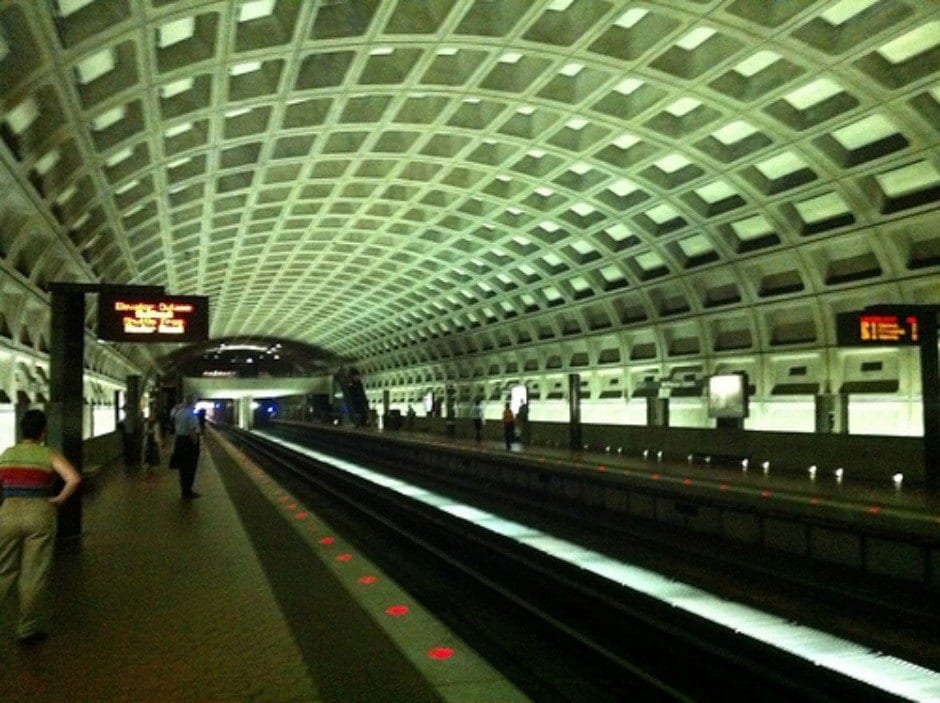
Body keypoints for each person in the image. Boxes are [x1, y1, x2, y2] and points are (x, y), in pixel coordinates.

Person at [0, 409, 81, 644]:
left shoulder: (7, 454)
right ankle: (27, 629)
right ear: (43, 431)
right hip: (40, 512)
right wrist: (59, 500)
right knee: (33, 574)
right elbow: (74, 479)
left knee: (3, 570)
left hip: (8, 512)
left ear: (21, 429)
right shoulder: (49, 454)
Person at [170, 398, 202, 499]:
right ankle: (188, 492)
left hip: (179, 441)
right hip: (188, 443)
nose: (196, 404)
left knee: (182, 469)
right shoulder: (191, 414)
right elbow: (192, 431)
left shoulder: (179, 413)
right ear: (192, 403)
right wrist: (196, 444)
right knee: (190, 468)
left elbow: (172, 417)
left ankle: (184, 491)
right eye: (195, 402)